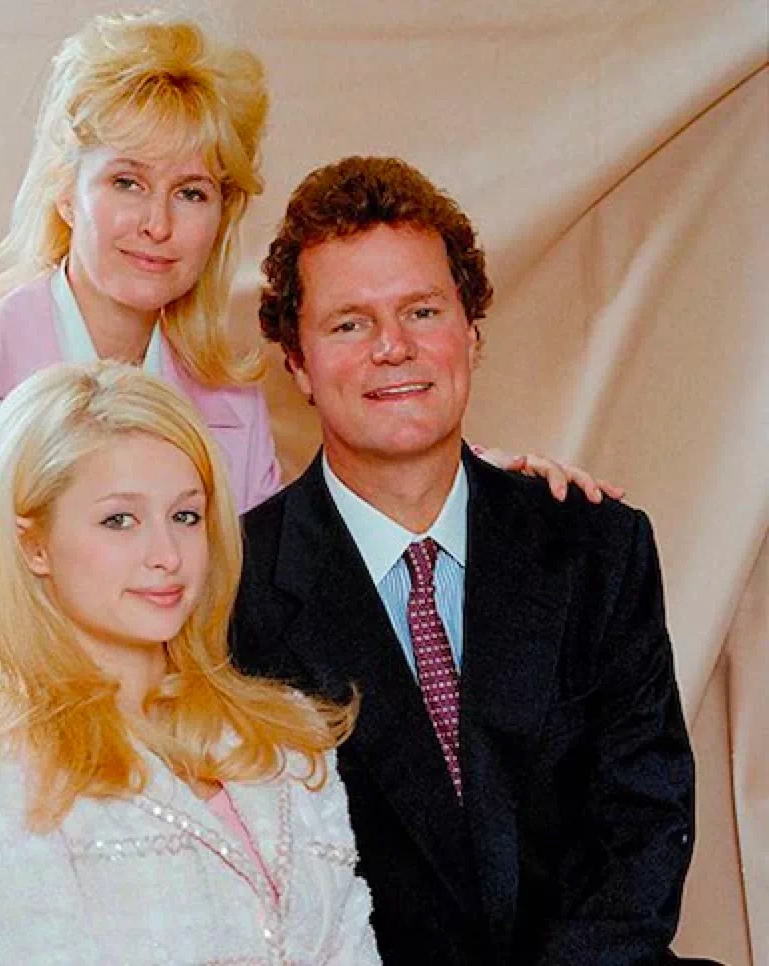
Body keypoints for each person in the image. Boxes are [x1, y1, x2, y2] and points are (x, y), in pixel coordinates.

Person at [0, 12, 614, 834]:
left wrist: (454, 483)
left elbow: (282, 571)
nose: (157, 224)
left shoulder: (227, 404)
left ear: (222, 216)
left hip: (135, 814)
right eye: (126, 183)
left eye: (190, 192)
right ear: (64, 188)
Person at [230, 156, 697, 964]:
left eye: (422, 310)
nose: (393, 348)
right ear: (297, 363)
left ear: (471, 333)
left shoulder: (598, 548)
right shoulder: (229, 588)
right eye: (349, 324)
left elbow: (643, 831)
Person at [0, 360, 380, 964]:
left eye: (185, 516)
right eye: (119, 520)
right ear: (33, 545)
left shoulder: (288, 735)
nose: (167, 555)